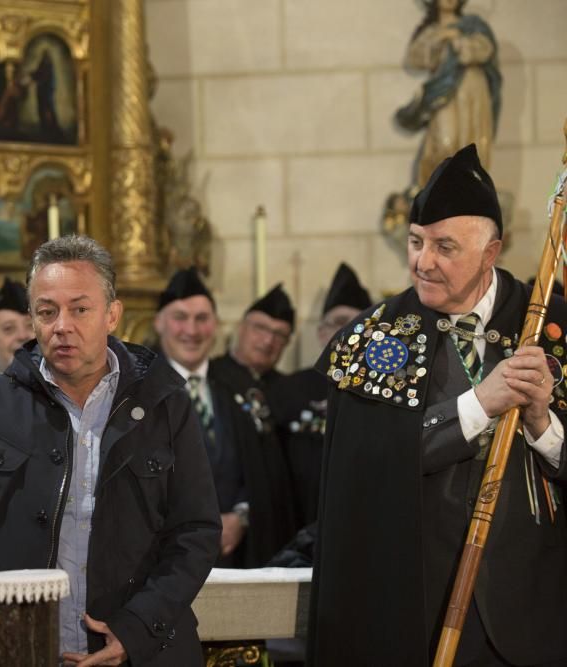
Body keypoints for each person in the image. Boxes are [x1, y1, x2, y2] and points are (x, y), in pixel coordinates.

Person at [0, 235, 220, 665]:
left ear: (112, 315)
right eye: (47, 312)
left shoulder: (165, 403)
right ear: (32, 319)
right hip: (19, 647)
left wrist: (137, 630)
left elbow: (196, 532)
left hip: (141, 651)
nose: (61, 325)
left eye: (79, 309)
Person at [309, 144, 567, 667]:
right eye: (415, 242)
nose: (422, 262)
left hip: (540, 611)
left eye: (445, 247)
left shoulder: (549, 324)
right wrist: (479, 404)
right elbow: (366, 468)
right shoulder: (374, 337)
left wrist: (542, 423)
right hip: (416, 613)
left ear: (490, 252)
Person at [155, 268, 297, 567]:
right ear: (159, 323)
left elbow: (264, 471)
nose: (191, 331)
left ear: (216, 326)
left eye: (202, 319)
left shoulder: (240, 386)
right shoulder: (138, 389)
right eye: (180, 317)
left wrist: (241, 516)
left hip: (238, 557)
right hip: (163, 561)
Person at [269, 263, 372, 528]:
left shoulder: (383, 393)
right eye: (339, 322)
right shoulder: (288, 389)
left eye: (360, 323)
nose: (349, 331)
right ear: (321, 332)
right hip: (294, 521)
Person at [395, 0, 501, 188]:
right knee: (445, 143)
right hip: (444, 95)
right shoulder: (432, 31)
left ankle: (472, 191)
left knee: (474, 144)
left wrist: (458, 39)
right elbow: (416, 58)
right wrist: (439, 38)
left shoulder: (472, 25)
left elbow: (486, 49)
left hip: (473, 89)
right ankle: (439, 193)